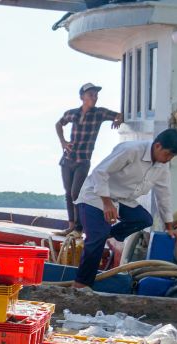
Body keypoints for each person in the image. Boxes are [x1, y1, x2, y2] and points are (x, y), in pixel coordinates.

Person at [73, 128, 177, 289]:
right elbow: (100, 173)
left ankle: (107, 234)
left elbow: (164, 194)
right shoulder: (131, 150)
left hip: (122, 200)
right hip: (96, 196)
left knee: (144, 219)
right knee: (96, 238)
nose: (168, 159)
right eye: (168, 154)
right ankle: (80, 285)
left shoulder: (162, 166)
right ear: (158, 146)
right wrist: (106, 202)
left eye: (172, 157)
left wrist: (169, 227)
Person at [55, 82, 123, 235]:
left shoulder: (99, 113)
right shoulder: (73, 113)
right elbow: (59, 124)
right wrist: (63, 141)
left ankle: (79, 229)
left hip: (83, 161)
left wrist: (118, 119)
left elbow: (120, 115)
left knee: (76, 193)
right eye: (91, 95)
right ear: (82, 97)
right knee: (68, 193)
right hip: (67, 159)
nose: (94, 97)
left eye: (96, 95)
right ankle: (71, 226)